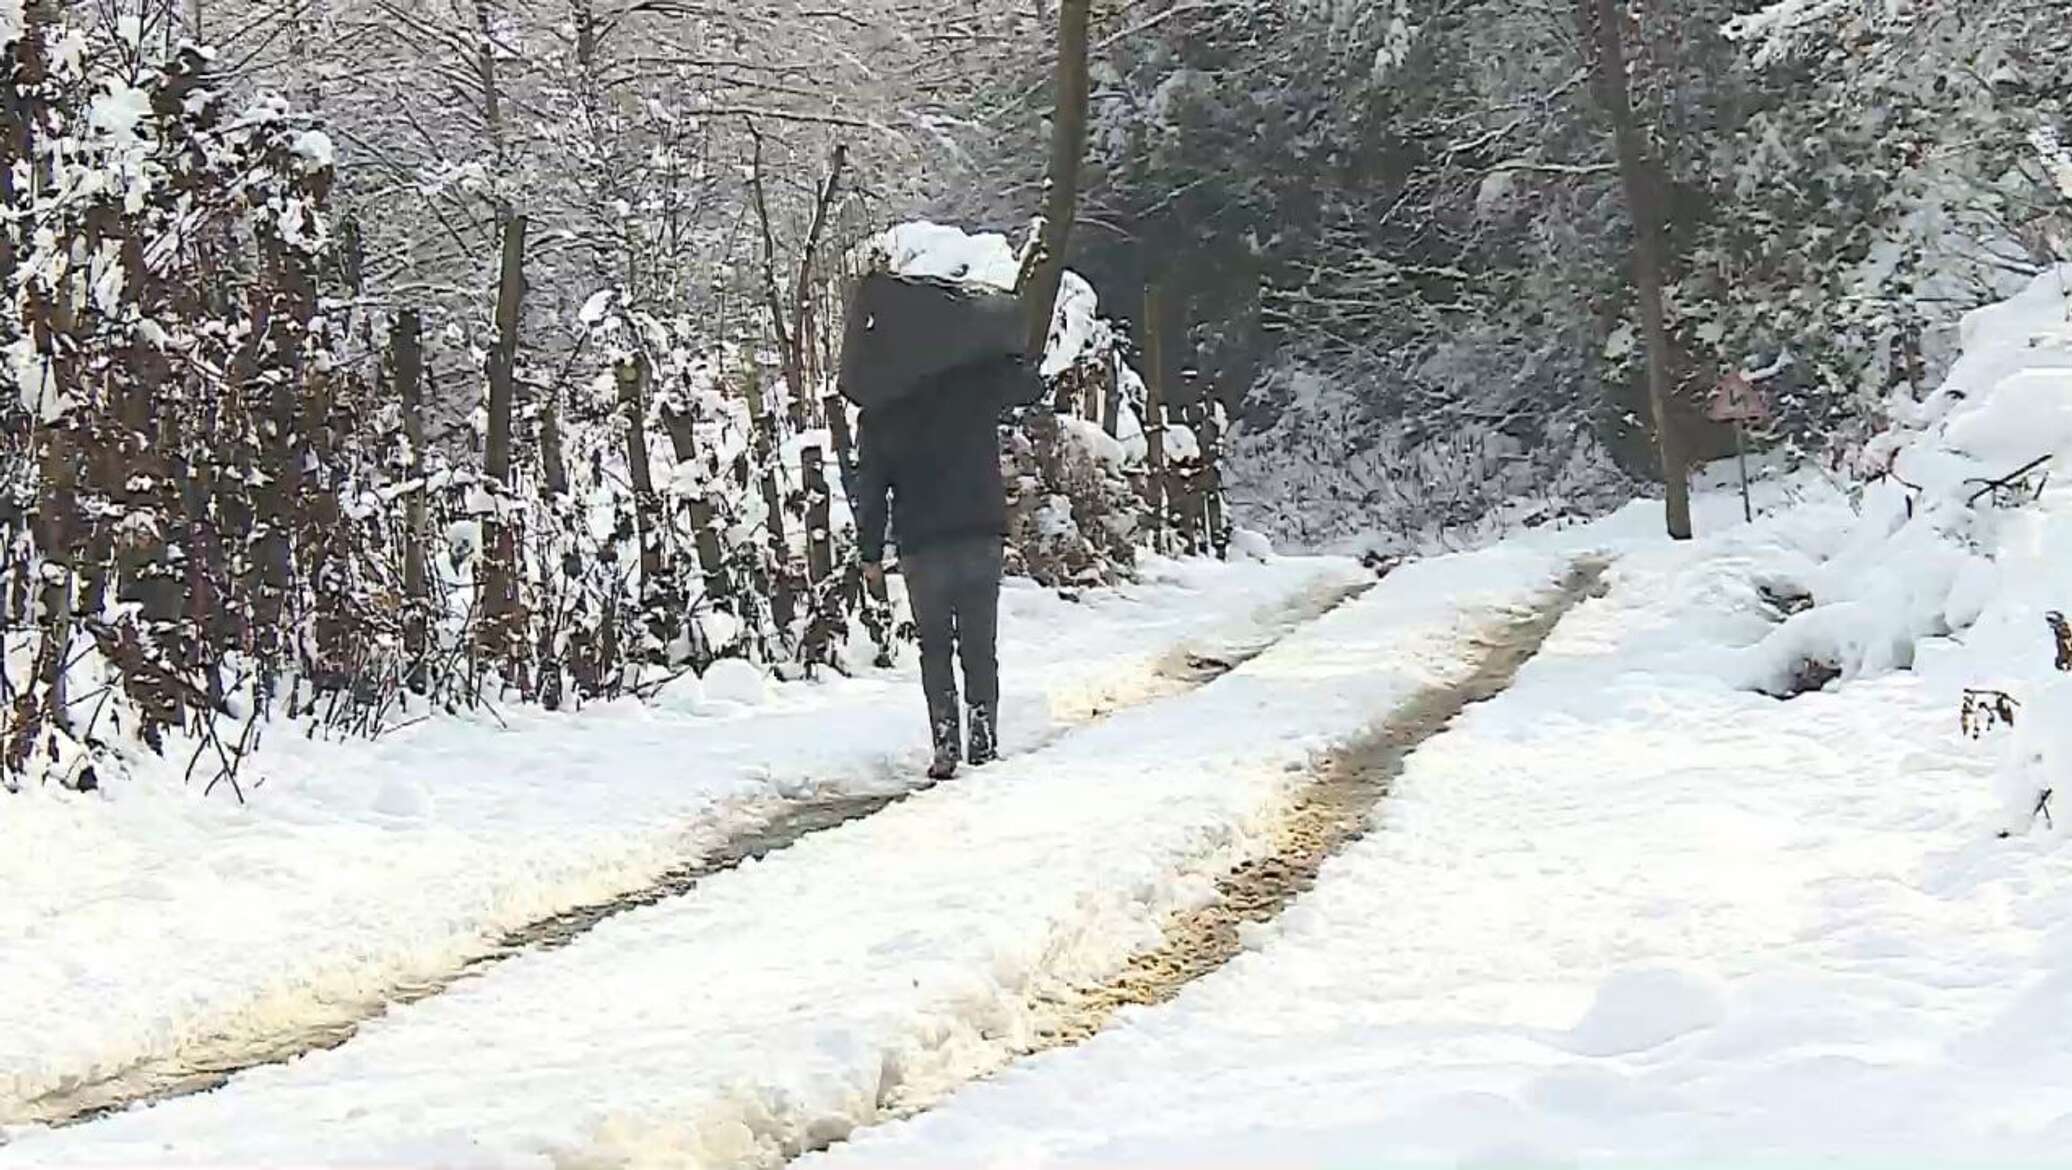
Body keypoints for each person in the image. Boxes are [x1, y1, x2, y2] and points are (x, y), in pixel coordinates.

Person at [855, 356, 1025, 780]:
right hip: (979, 534)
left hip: (923, 545)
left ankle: (946, 745)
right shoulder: (972, 385)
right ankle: (983, 741)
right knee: (979, 646)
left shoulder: (882, 410)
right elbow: (1026, 388)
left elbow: (872, 489)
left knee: (935, 648)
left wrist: (870, 553)